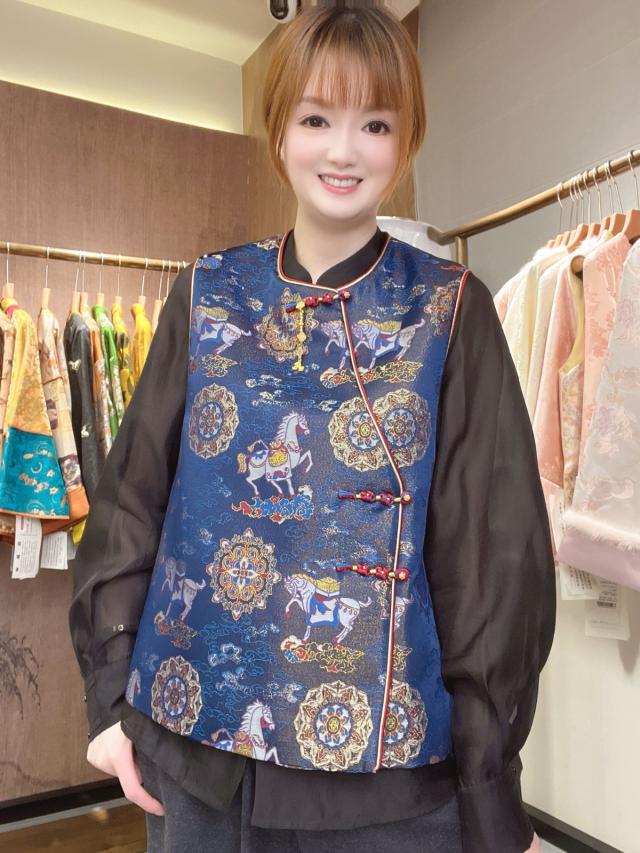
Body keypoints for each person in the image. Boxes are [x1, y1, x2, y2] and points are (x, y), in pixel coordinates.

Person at [69, 6, 554, 853]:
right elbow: (132, 501)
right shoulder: (207, 292)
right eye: (317, 119)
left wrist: (487, 784)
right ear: (279, 131)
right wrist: (111, 702)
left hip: (386, 784)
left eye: (376, 124)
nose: (344, 150)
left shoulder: (448, 310)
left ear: (406, 141)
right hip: (192, 757)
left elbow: (491, 561)